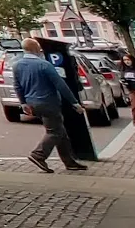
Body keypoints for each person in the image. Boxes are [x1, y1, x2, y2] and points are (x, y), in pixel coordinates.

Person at [13, 37, 86, 173]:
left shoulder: (17, 65)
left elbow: (17, 86)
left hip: (31, 102)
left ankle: (69, 161)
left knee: (60, 132)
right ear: (36, 49)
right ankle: (38, 155)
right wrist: (74, 103)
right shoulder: (44, 65)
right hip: (48, 102)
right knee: (55, 132)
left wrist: (23, 103)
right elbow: (60, 84)